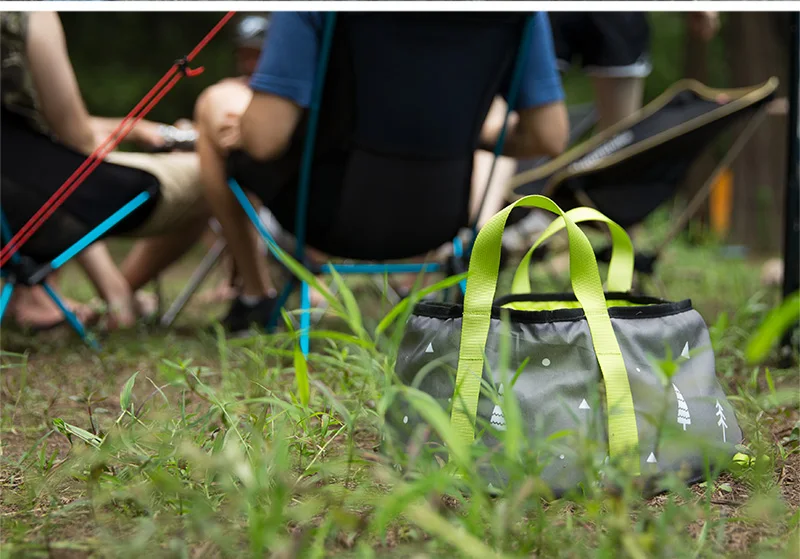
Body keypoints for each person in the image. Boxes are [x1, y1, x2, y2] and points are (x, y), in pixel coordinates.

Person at [202, 12, 568, 334]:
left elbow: (265, 141)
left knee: (214, 102)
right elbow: (548, 135)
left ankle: (254, 296)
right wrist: (468, 135)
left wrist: (245, 126)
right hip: (438, 220)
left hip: (323, 218)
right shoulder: (518, 12)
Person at [1, 11, 208, 330]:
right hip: (30, 203)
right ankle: (119, 297)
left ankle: (112, 295)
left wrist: (126, 129)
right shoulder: (28, 13)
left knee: (59, 178)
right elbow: (77, 138)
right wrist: (118, 132)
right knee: (210, 169)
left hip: (17, 205)